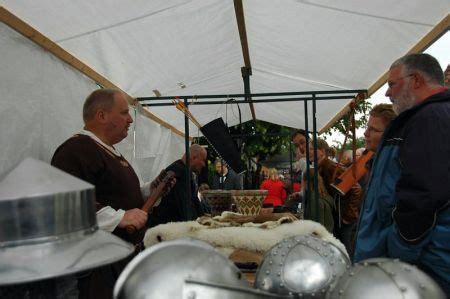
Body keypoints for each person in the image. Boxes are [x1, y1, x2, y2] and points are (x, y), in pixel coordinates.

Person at [51, 88, 174, 298]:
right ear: (102, 115)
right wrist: (120, 217)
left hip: (121, 262)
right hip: (98, 270)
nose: (130, 120)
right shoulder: (76, 150)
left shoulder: (109, 151)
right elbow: (66, 204)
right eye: (124, 113)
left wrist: (149, 191)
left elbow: (119, 195)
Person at [354, 53, 450, 295]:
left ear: (415, 80)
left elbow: (422, 196)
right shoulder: (425, 117)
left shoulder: (431, 118)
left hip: (427, 265)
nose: (388, 93)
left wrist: (400, 249)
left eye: (392, 84)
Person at [148, 144, 208, 226]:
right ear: (194, 157)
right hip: (166, 228)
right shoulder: (178, 172)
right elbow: (184, 208)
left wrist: (203, 218)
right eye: (203, 160)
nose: (204, 164)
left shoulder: (185, 172)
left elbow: (193, 201)